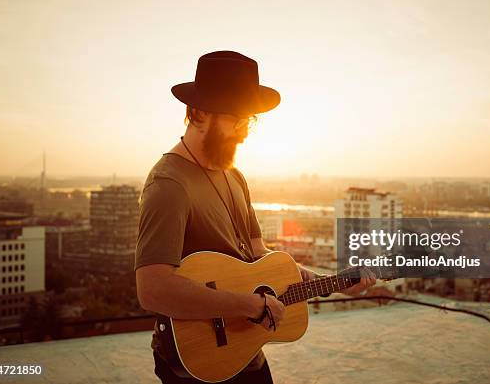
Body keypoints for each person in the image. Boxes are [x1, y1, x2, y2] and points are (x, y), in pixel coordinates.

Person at [134, 50, 376, 383]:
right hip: (195, 366)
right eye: (236, 117)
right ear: (198, 111)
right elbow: (153, 290)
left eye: (250, 119)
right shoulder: (168, 184)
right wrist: (252, 307)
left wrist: (331, 283)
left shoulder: (233, 176)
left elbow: (259, 259)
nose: (244, 130)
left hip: (245, 354)